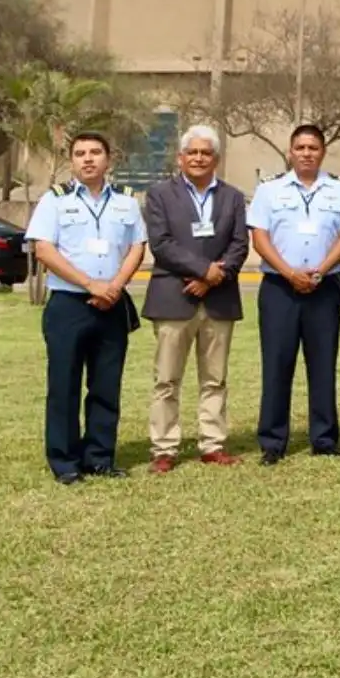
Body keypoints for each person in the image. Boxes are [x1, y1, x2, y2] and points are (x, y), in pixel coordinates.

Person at [25, 131, 146, 484]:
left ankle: (99, 457)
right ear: (72, 160)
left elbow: (137, 247)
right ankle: (64, 462)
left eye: (95, 152)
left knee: (106, 384)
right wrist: (90, 284)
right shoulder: (55, 200)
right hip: (69, 304)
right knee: (64, 383)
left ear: (109, 159)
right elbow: (44, 250)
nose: (88, 158)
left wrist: (114, 286)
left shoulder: (126, 201)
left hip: (112, 303)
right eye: (80, 153)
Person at [247, 124, 340, 464]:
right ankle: (272, 442)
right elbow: (260, 237)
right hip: (280, 288)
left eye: (313, 147)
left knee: (323, 365)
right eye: (300, 147)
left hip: (324, 287)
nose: (306, 153)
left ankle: (324, 439)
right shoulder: (269, 190)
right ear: (290, 151)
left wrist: (322, 270)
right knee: (277, 365)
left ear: (322, 152)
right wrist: (288, 272)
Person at [141, 124, 250, 473]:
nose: (199, 158)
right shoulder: (159, 194)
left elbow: (239, 244)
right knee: (166, 379)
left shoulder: (232, 196)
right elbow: (161, 244)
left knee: (215, 378)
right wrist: (206, 270)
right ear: (181, 157)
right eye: (193, 152)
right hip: (174, 297)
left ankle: (212, 444)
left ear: (215, 159)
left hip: (217, 301)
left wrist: (214, 278)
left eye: (206, 153)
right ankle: (164, 448)